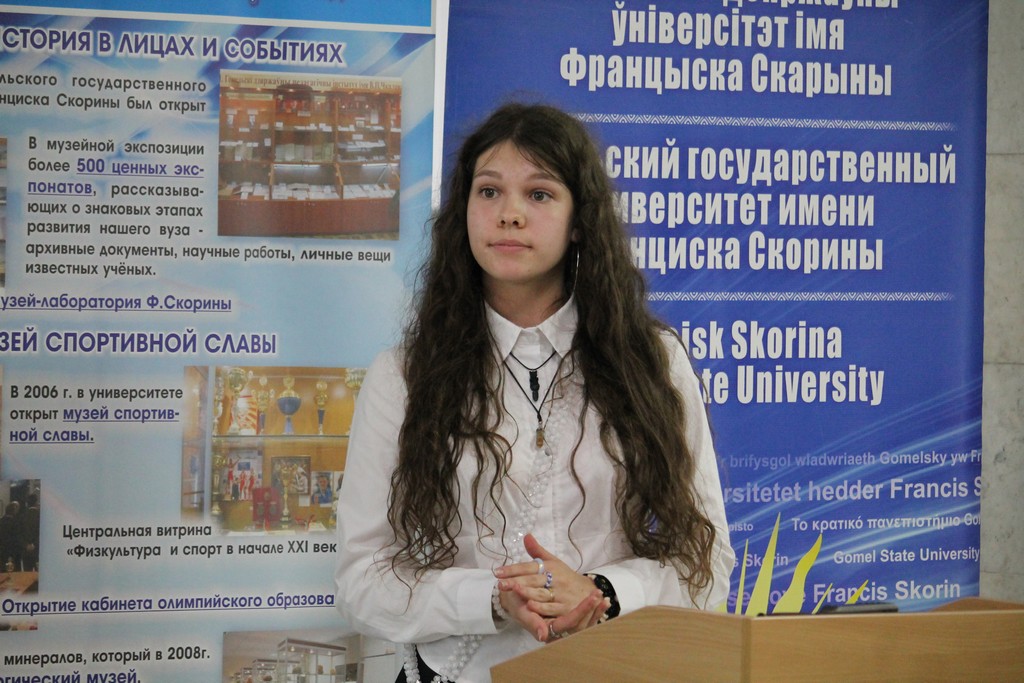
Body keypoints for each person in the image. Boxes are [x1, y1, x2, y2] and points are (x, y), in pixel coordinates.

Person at [334, 103, 734, 683]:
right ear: (464, 213)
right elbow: (361, 580)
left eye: (539, 194)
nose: (510, 214)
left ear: (579, 221)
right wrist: (492, 599)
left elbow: (707, 563)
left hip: (610, 670)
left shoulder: (653, 363)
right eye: (489, 191)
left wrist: (603, 591)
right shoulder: (403, 376)